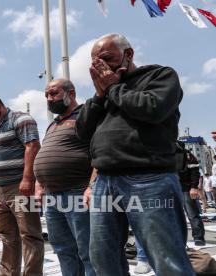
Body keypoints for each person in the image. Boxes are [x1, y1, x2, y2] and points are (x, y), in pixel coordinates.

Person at [76, 33, 193, 275]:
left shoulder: (159, 75)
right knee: (102, 257)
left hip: (149, 178)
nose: (101, 65)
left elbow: (153, 108)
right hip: (104, 181)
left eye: (107, 58)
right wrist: (100, 96)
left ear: (128, 54)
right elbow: (82, 131)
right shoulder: (103, 93)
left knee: (167, 259)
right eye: (95, 61)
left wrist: (113, 88)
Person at [0, 94, 44, 276]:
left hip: (19, 187)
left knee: (29, 235)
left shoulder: (21, 120)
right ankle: (8, 272)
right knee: (6, 234)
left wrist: (28, 178)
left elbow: (33, 147)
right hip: (0, 189)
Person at [34, 79, 95, 276]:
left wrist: (92, 185)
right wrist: (39, 184)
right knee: (62, 249)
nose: (49, 99)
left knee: (87, 251)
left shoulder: (87, 115)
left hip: (77, 192)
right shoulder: (53, 124)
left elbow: (100, 151)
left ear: (71, 93)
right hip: (52, 196)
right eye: (46, 96)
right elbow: (44, 155)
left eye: (54, 93)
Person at [176, 141, 206, 246]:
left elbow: (195, 171)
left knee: (192, 214)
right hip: (172, 189)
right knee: (174, 216)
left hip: (186, 189)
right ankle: (179, 239)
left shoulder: (187, 154)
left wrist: (193, 187)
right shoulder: (164, 153)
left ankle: (199, 237)